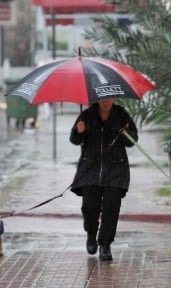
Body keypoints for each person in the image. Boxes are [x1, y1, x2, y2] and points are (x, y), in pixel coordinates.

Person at [69, 98, 138, 261]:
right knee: (89, 207)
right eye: (102, 99)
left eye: (108, 98)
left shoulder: (121, 115)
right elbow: (74, 139)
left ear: (113, 98)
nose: (105, 102)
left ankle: (105, 244)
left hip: (115, 169)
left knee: (111, 208)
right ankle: (91, 233)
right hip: (90, 169)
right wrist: (79, 131)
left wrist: (124, 134)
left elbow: (133, 140)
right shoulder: (86, 115)